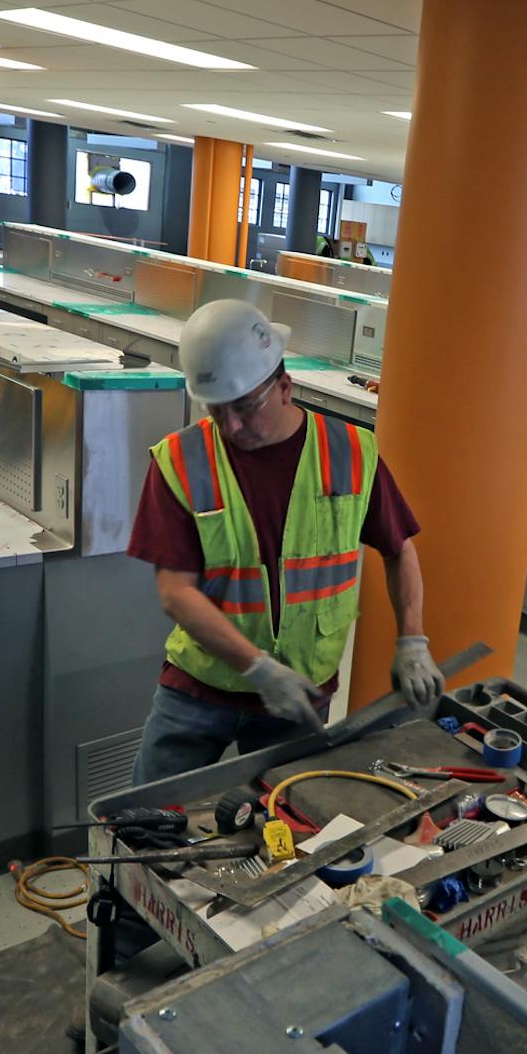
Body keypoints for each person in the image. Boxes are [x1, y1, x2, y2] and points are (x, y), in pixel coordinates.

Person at [125, 298, 444, 782]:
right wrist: (257, 668)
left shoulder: (352, 453)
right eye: (217, 409)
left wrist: (413, 639)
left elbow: (399, 548)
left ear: (286, 387)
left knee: (285, 824)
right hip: (199, 690)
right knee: (146, 819)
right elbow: (175, 591)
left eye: (245, 406)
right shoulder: (181, 461)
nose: (231, 426)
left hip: (301, 693)